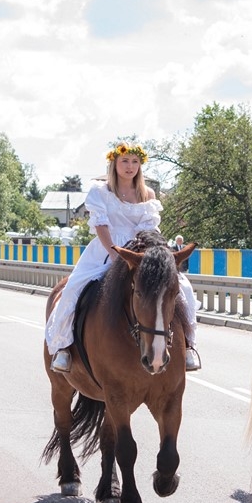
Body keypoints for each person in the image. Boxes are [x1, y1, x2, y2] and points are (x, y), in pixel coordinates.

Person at [46, 142, 201, 373]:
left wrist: (155, 257)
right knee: (73, 289)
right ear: (114, 163)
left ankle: (187, 345)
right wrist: (115, 254)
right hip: (107, 249)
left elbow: (149, 229)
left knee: (183, 287)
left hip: (140, 251)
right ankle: (64, 348)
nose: (130, 166)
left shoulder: (148, 194)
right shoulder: (100, 191)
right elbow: (100, 225)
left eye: (135, 162)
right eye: (125, 161)